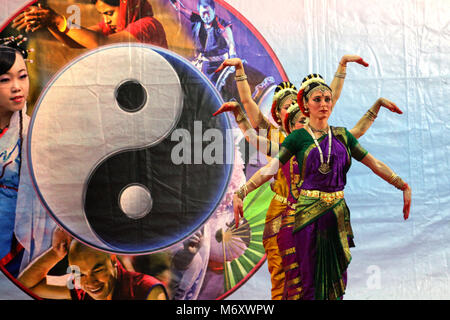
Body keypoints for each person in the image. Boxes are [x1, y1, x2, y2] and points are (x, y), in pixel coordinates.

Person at [213, 56, 402, 300]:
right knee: (286, 278)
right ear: (279, 114)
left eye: (298, 106)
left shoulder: (327, 136)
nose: (296, 110)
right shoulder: (279, 140)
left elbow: (344, 117)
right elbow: (250, 115)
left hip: (318, 212)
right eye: (286, 106)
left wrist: (345, 70)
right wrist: (240, 94)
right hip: (284, 211)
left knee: (319, 280)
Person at [0, 36, 56, 278]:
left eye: (22, 76)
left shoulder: (35, 132)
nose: (17, 87)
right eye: (5, 79)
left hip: (18, 245)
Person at [18, 228, 168, 300]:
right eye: (80, 273)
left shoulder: (145, 290)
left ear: (113, 259)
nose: (90, 282)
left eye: (97, 270)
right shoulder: (78, 286)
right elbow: (25, 286)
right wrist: (56, 253)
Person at [12, 0, 168, 49]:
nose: (106, 20)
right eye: (103, 15)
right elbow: (74, 41)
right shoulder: (113, 27)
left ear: (126, 5)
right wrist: (49, 22)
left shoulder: (148, 26)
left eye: (109, 13)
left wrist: (57, 20)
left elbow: (100, 43)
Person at [170, 0, 236, 83]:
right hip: (201, 64)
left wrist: (232, 58)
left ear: (214, 10)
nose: (206, 16)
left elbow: (231, 44)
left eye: (208, 12)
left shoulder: (222, 26)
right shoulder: (197, 19)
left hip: (217, 67)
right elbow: (179, 8)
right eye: (203, 13)